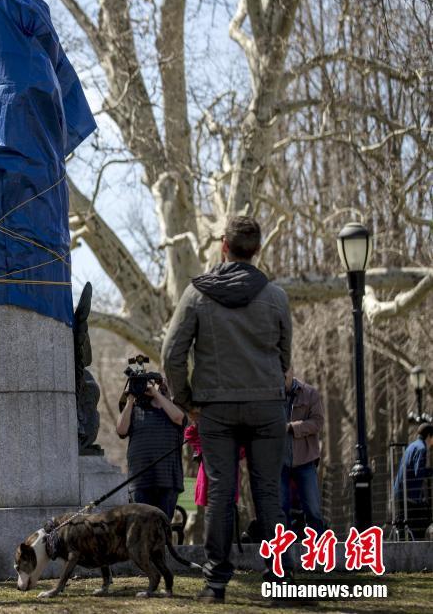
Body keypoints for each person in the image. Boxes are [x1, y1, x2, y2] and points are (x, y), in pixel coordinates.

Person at [162, 215, 292, 604]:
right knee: (268, 492)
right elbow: (285, 356)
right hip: (267, 405)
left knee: (221, 491)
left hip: (216, 407)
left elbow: (172, 354)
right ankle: (279, 580)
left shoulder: (198, 294)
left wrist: (186, 401)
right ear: (257, 250)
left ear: (224, 245)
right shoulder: (275, 296)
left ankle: (216, 583)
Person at [116, 379, 186, 520]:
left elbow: (179, 417)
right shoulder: (135, 410)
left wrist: (156, 393)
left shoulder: (174, 410)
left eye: (161, 384)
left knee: (162, 527)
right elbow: (121, 430)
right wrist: (130, 399)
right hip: (140, 481)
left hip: (168, 481)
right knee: (141, 528)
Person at [281, 370, 326, 535]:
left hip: (306, 460)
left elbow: (318, 422)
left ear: (291, 371)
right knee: (281, 510)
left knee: (313, 510)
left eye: (284, 374)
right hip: (279, 463)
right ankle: (285, 554)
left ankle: (318, 552)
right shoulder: (268, 396)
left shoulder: (310, 393)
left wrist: (293, 427)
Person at [393, 423, 433, 540]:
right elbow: (418, 473)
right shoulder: (422, 448)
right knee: (422, 522)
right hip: (410, 496)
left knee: (404, 526)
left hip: (400, 493)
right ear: (429, 436)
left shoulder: (412, 446)